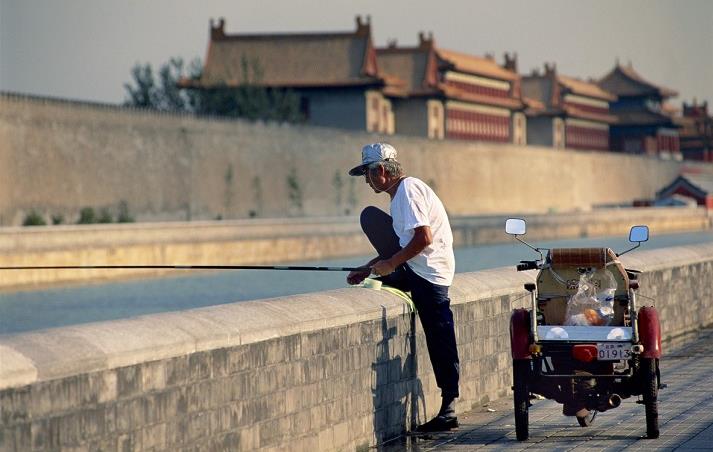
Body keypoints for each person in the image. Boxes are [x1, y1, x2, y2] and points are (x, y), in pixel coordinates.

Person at [347, 142, 460, 433]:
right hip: (413, 269)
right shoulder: (399, 195)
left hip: (428, 276)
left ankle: (449, 408)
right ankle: (448, 406)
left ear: (381, 170)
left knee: (439, 337)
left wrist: (392, 264)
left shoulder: (408, 191)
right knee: (370, 217)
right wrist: (368, 268)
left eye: (367, 175)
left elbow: (424, 238)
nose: (367, 181)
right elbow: (400, 243)